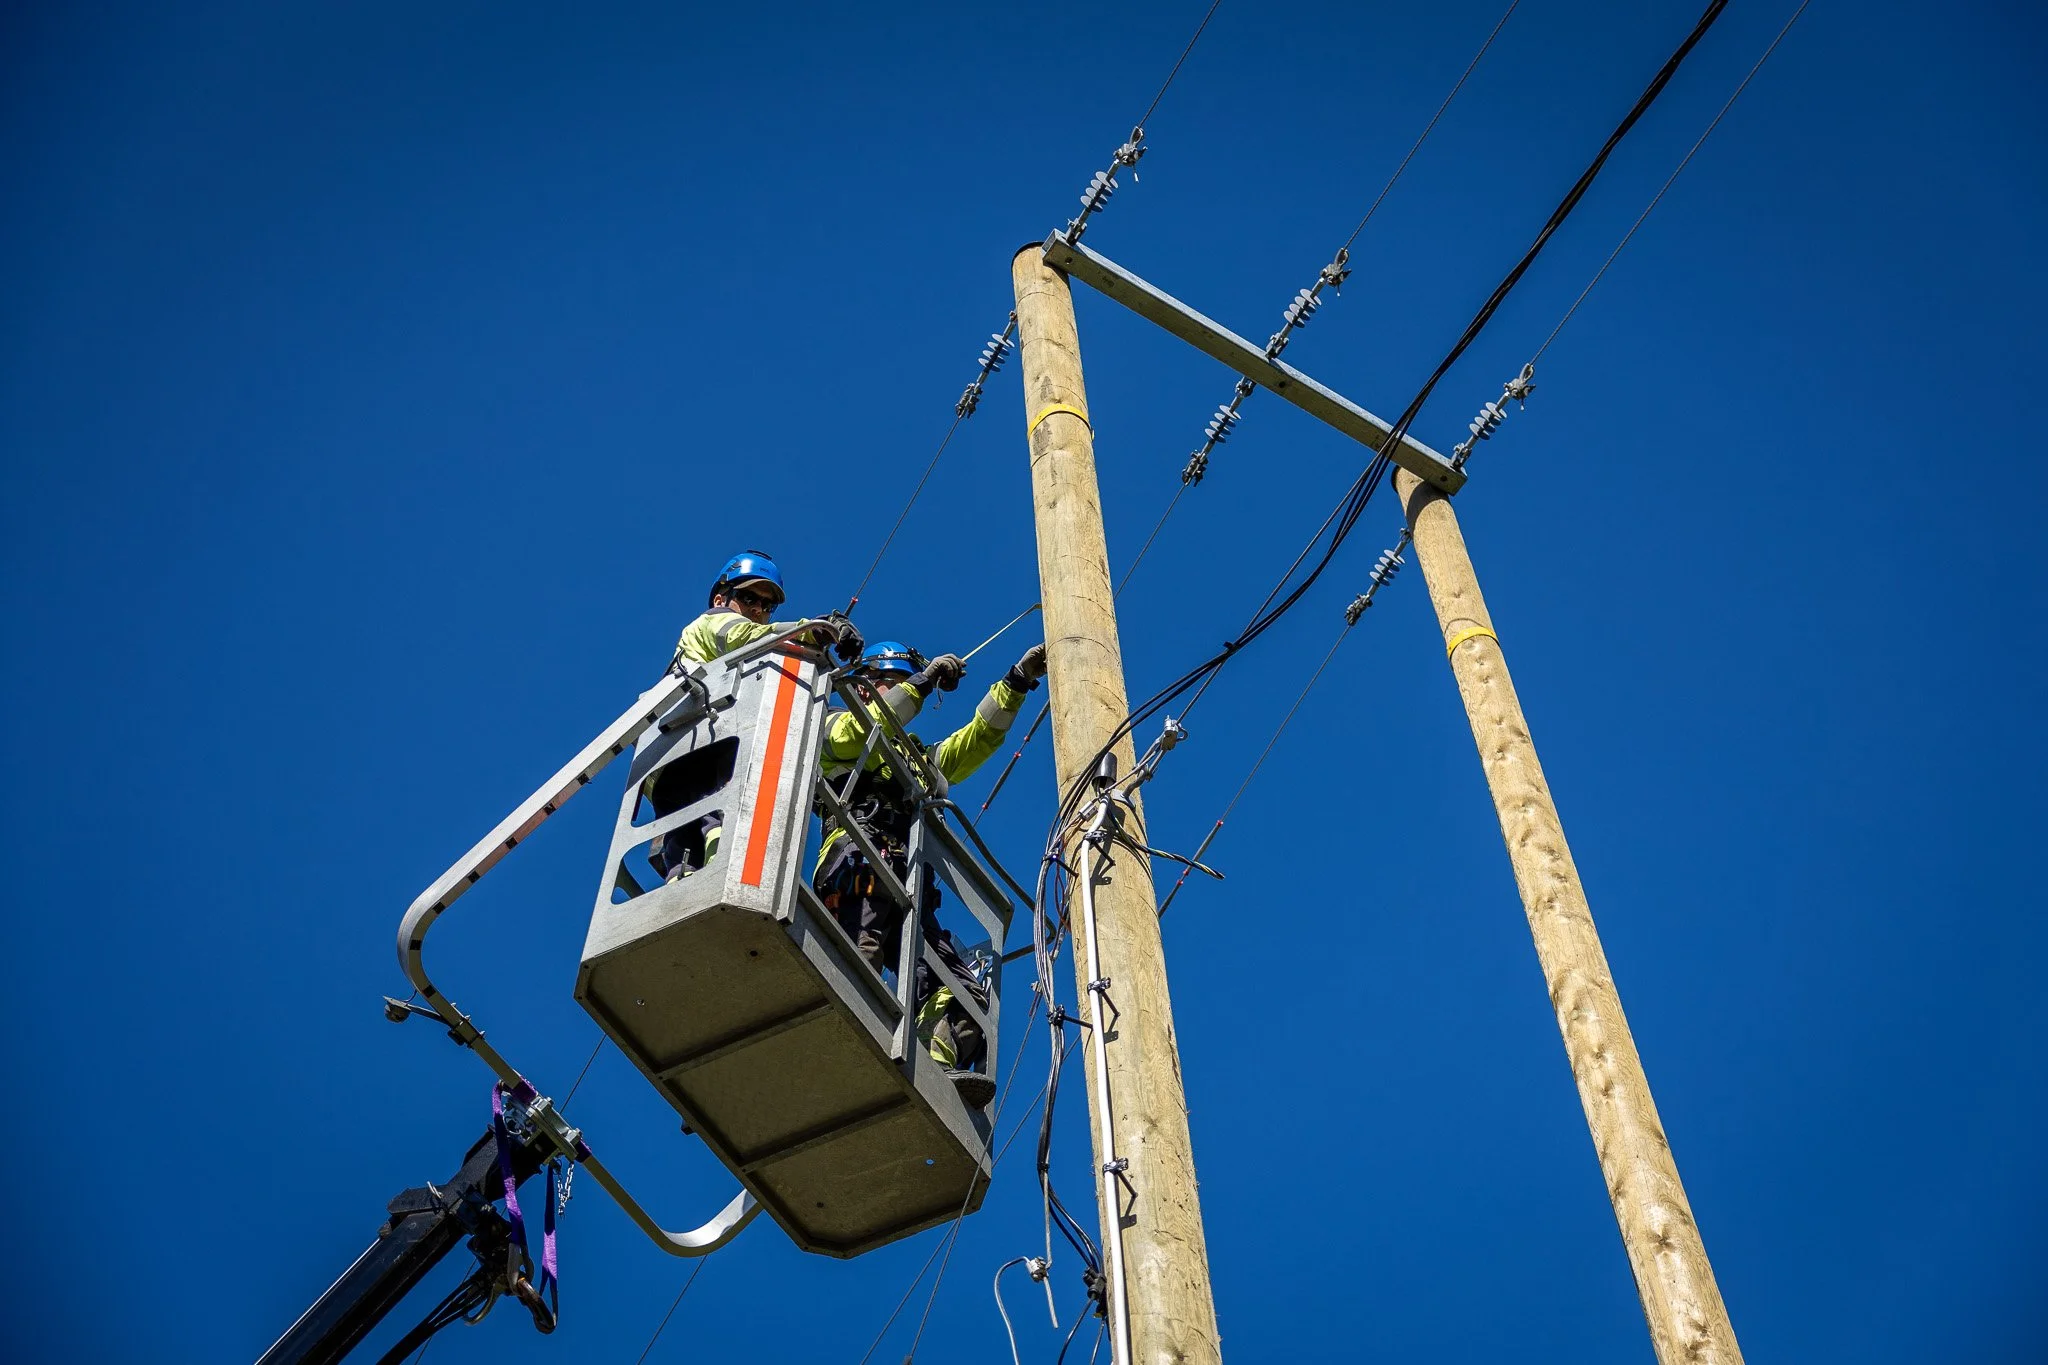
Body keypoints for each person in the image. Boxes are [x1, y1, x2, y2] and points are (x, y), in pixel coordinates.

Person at [813, 637, 1047, 1107]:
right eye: (893, 684)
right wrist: (920, 684)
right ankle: (830, 1059)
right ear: (864, 690)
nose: (903, 693)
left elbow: (979, 737)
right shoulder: (836, 728)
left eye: (905, 684)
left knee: (965, 998)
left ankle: (934, 1075)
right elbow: (872, 726)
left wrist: (1018, 682)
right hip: (857, 866)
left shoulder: (921, 763)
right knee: (861, 955)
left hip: (911, 889)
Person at [645, 550, 860, 880]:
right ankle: (713, 864)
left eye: (767, 605)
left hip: (689, 757)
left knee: (686, 862)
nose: (758, 610)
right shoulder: (713, 623)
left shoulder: (752, 664)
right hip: (692, 751)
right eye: (748, 598)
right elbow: (745, 637)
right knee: (709, 824)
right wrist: (815, 630)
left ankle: (691, 875)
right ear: (721, 597)